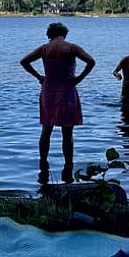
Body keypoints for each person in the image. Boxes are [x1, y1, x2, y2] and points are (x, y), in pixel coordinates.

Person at [20, 22, 95, 185]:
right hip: (67, 89)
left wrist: (39, 77)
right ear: (65, 34)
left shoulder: (44, 49)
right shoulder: (71, 47)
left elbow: (24, 61)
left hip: (48, 91)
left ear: (49, 34)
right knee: (67, 132)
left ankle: (43, 163)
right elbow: (91, 62)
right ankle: (68, 167)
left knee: (46, 129)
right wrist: (78, 80)